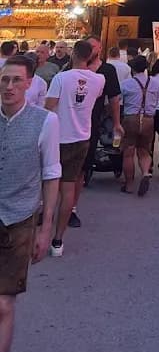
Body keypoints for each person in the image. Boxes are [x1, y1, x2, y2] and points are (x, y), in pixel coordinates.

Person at [0, 55, 60, 352]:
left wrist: (46, 227)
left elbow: (52, 175)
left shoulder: (45, 122)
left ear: (29, 84)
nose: (8, 86)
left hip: (19, 219)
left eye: (15, 80)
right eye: (4, 79)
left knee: (4, 303)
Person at [44, 39, 105, 256]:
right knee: (69, 187)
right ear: (90, 57)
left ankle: (43, 232)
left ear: (72, 55)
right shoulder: (99, 80)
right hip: (82, 137)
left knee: (50, 185)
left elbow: (48, 107)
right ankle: (58, 240)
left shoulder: (61, 77)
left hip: (58, 137)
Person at [70, 37, 122, 226]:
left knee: (81, 169)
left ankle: (71, 209)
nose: (89, 50)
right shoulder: (70, 70)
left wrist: (117, 123)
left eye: (92, 47)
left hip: (89, 126)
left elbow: (114, 98)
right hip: (66, 125)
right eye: (86, 47)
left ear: (100, 48)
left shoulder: (107, 71)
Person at [119, 55, 158, 195]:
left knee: (128, 152)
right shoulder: (155, 83)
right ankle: (146, 173)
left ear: (132, 68)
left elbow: (118, 101)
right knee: (144, 150)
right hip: (148, 118)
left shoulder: (126, 83)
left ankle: (129, 185)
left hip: (131, 118)